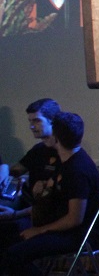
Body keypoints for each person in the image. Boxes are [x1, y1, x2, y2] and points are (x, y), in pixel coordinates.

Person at [1, 112, 99, 276]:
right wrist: (17, 214)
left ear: (55, 137)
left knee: (13, 256)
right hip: (60, 229)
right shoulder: (67, 162)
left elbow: (74, 219)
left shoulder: (77, 170)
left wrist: (39, 230)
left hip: (74, 235)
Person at [0, 100, 61, 242]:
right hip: (28, 207)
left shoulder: (64, 153)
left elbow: (53, 204)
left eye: (37, 121)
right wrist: (4, 168)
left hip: (42, 217)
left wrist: (15, 214)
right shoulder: (38, 150)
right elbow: (16, 170)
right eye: (30, 121)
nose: (32, 126)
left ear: (53, 121)